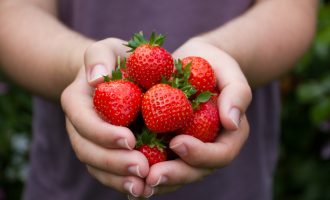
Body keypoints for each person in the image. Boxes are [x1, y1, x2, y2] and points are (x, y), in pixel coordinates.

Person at [0, 0, 317, 199]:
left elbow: (291, 8)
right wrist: (81, 64)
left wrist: (228, 53)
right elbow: (11, 12)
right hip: (70, 186)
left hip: (233, 185)